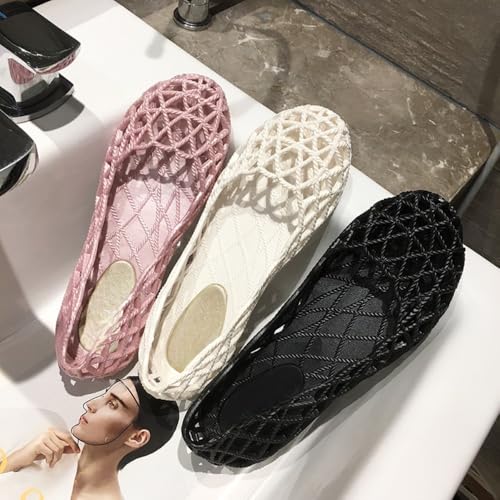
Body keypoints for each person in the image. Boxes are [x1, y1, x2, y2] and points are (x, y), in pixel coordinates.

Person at [1, 376, 178, 499]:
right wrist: (14, 461)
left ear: (137, 438)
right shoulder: (46, 437)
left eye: (112, 404)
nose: (91, 404)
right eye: (104, 395)